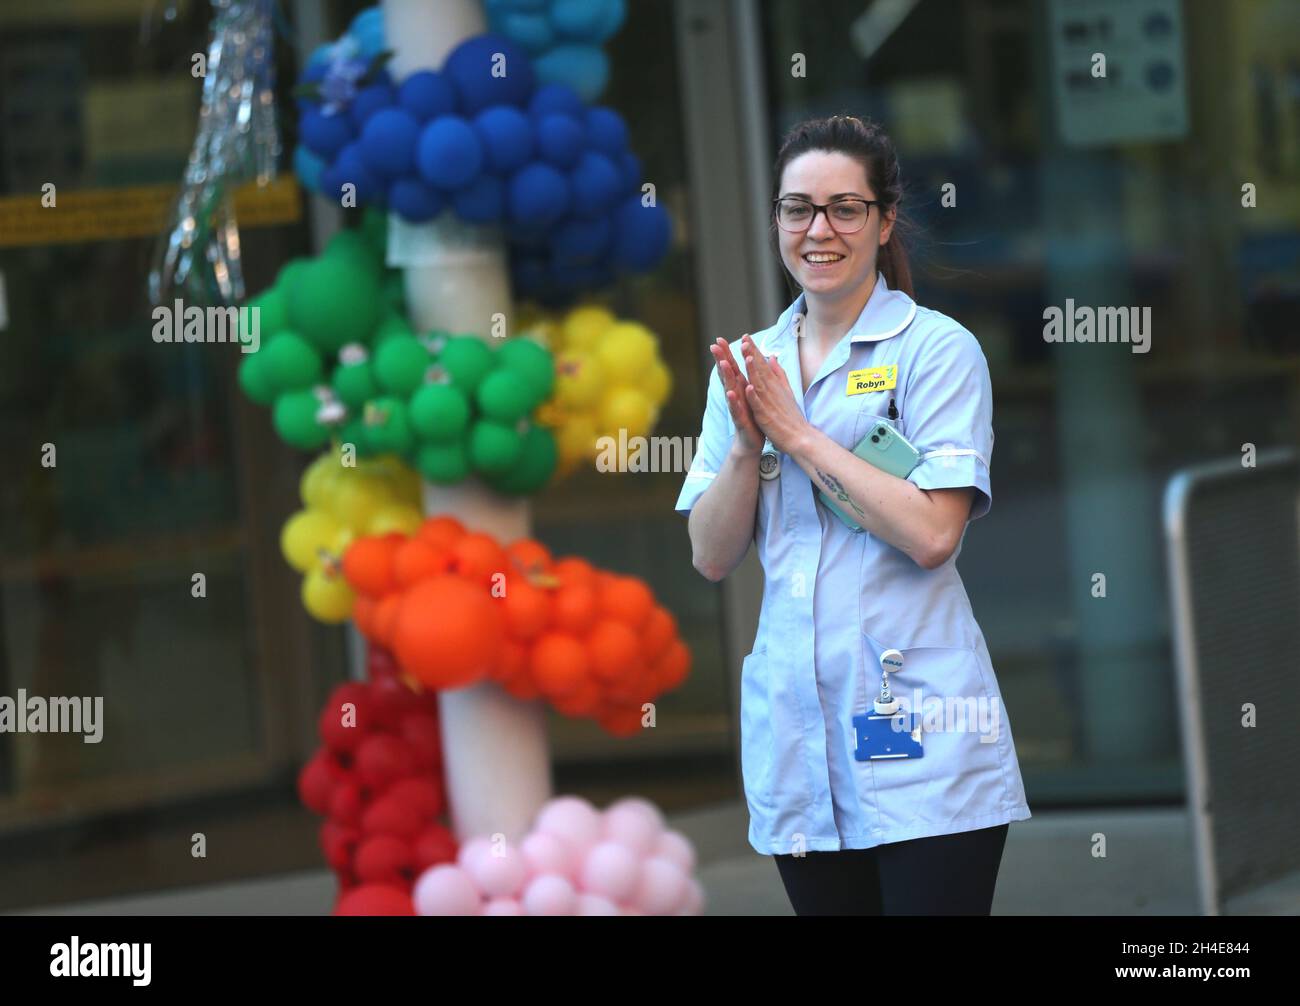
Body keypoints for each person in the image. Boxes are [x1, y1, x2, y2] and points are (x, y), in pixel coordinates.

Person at [675, 115, 1031, 915]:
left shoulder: (935, 349)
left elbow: (933, 535)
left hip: (925, 733)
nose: (819, 230)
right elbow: (710, 554)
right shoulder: (750, 367)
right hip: (801, 742)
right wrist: (747, 447)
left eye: (845, 208)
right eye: (797, 208)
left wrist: (799, 436)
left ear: (884, 220)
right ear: (777, 219)